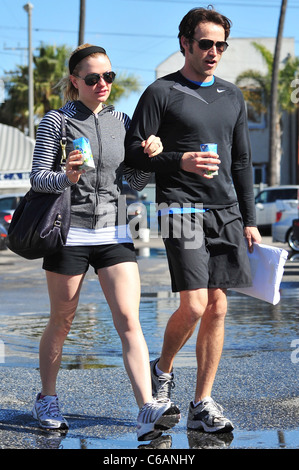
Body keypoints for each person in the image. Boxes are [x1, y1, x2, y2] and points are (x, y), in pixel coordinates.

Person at [30, 43, 180, 441]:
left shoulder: (122, 120)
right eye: (93, 78)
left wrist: (148, 158)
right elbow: (37, 179)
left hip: (114, 231)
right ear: (75, 81)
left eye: (108, 77)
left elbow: (130, 182)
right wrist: (68, 177)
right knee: (62, 321)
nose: (103, 84)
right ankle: (47, 398)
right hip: (69, 233)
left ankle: (147, 407)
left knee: (129, 320)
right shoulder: (56, 122)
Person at [125, 7, 262, 433]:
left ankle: (202, 403)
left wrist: (250, 218)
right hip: (178, 207)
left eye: (221, 45)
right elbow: (133, 154)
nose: (214, 52)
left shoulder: (232, 95)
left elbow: (241, 160)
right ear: (184, 43)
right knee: (196, 303)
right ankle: (162, 371)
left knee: (218, 307)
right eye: (206, 44)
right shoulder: (160, 92)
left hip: (225, 212)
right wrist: (178, 159)